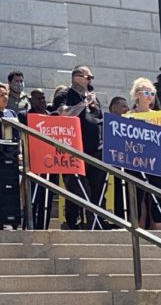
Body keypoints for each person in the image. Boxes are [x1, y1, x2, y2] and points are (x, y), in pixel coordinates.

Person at [53, 65, 105, 230]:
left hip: (96, 150)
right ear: (77, 77)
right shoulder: (65, 94)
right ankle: (71, 222)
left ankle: (95, 222)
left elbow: (100, 120)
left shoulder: (93, 98)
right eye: (88, 77)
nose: (91, 81)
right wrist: (83, 103)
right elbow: (63, 114)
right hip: (74, 150)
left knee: (97, 188)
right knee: (77, 189)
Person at [127, 78, 161, 230]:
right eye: (146, 93)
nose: (150, 96)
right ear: (137, 94)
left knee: (157, 192)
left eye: (152, 93)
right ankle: (135, 225)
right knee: (136, 193)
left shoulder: (159, 116)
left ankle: (159, 226)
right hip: (136, 160)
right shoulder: (129, 115)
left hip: (155, 159)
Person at [19, 88, 58, 230]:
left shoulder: (51, 116)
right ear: (30, 100)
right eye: (38, 98)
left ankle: (43, 227)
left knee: (46, 197)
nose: (42, 101)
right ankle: (28, 226)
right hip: (33, 161)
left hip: (50, 162)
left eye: (43, 98)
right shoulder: (23, 116)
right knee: (32, 198)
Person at [108, 96, 129, 223]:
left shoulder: (130, 124)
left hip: (127, 164)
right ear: (114, 107)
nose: (127, 109)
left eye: (127, 106)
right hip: (111, 164)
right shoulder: (106, 123)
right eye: (123, 106)